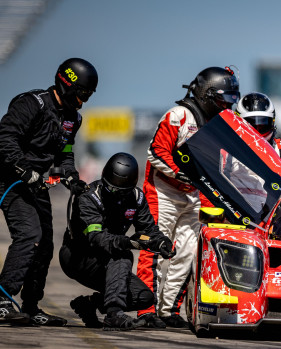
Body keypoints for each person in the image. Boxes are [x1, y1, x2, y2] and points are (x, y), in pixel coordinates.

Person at [136, 66, 240, 328]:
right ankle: (146, 310)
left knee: (188, 253)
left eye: (230, 100)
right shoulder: (178, 116)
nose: (225, 106)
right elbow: (156, 153)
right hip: (163, 193)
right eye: (222, 100)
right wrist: (182, 176)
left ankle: (168, 311)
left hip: (194, 195)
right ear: (206, 94)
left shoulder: (221, 124)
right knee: (157, 251)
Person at [0, 58, 97, 325]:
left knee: (44, 244)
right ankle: (1, 298)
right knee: (29, 234)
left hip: (36, 183)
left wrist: (71, 176)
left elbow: (64, 152)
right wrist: (22, 168)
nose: (84, 101)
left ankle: (31, 307)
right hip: (9, 179)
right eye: (83, 94)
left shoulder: (72, 118)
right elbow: (5, 137)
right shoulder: (33, 103)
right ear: (68, 85)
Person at [59, 153, 176, 330]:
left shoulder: (136, 197)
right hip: (79, 257)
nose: (116, 194)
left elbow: (148, 230)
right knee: (123, 255)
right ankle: (113, 315)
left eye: (123, 191)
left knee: (144, 297)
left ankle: (89, 304)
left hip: (108, 259)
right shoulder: (89, 197)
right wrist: (129, 242)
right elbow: (97, 238)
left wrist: (161, 242)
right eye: (112, 189)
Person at [235, 92, 281, 238]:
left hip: (274, 219)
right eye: (251, 124)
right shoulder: (227, 151)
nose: (257, 131)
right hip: (235, 217)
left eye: (263, 124)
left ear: (272, 124)